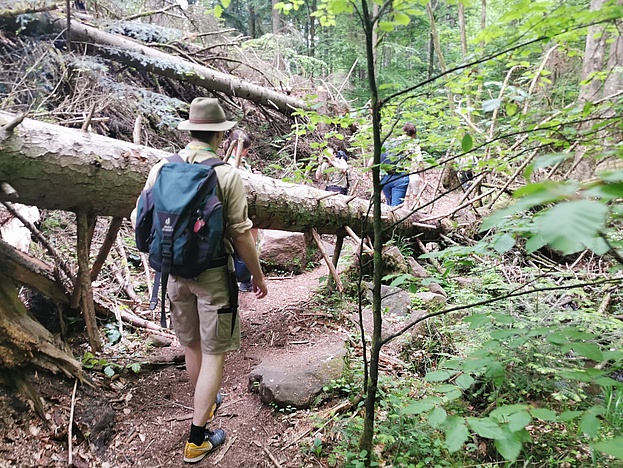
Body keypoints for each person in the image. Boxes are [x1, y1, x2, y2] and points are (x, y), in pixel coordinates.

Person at [132, 97, 268, 464]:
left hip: (172, 272)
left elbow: (138, 218)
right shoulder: (225, 174)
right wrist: (257, 276)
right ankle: (198, 438)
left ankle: (203, 405)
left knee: (192, 345)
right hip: (212, 275)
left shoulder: (161, 167)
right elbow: (241, 234)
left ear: (190, 130)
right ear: (220, 136)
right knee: (213, 352)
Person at [222, 129, 258, 293]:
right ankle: (242, 280)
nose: (246, 152)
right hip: (239, 210)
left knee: (243, 246)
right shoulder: (228, 164)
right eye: (245, 149)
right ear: (236, 147)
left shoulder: (244, 164)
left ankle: (243, 280)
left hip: (248, 208)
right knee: (242, 246)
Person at [380, 123, 423, 206]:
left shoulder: (391, 142)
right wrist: (423, 177)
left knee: (389, 204)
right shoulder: (413, 145)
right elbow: (420, 161)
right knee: (396, 207)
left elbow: (377, 156)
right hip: (402, 176)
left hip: (386, 176)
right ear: (414, 134)